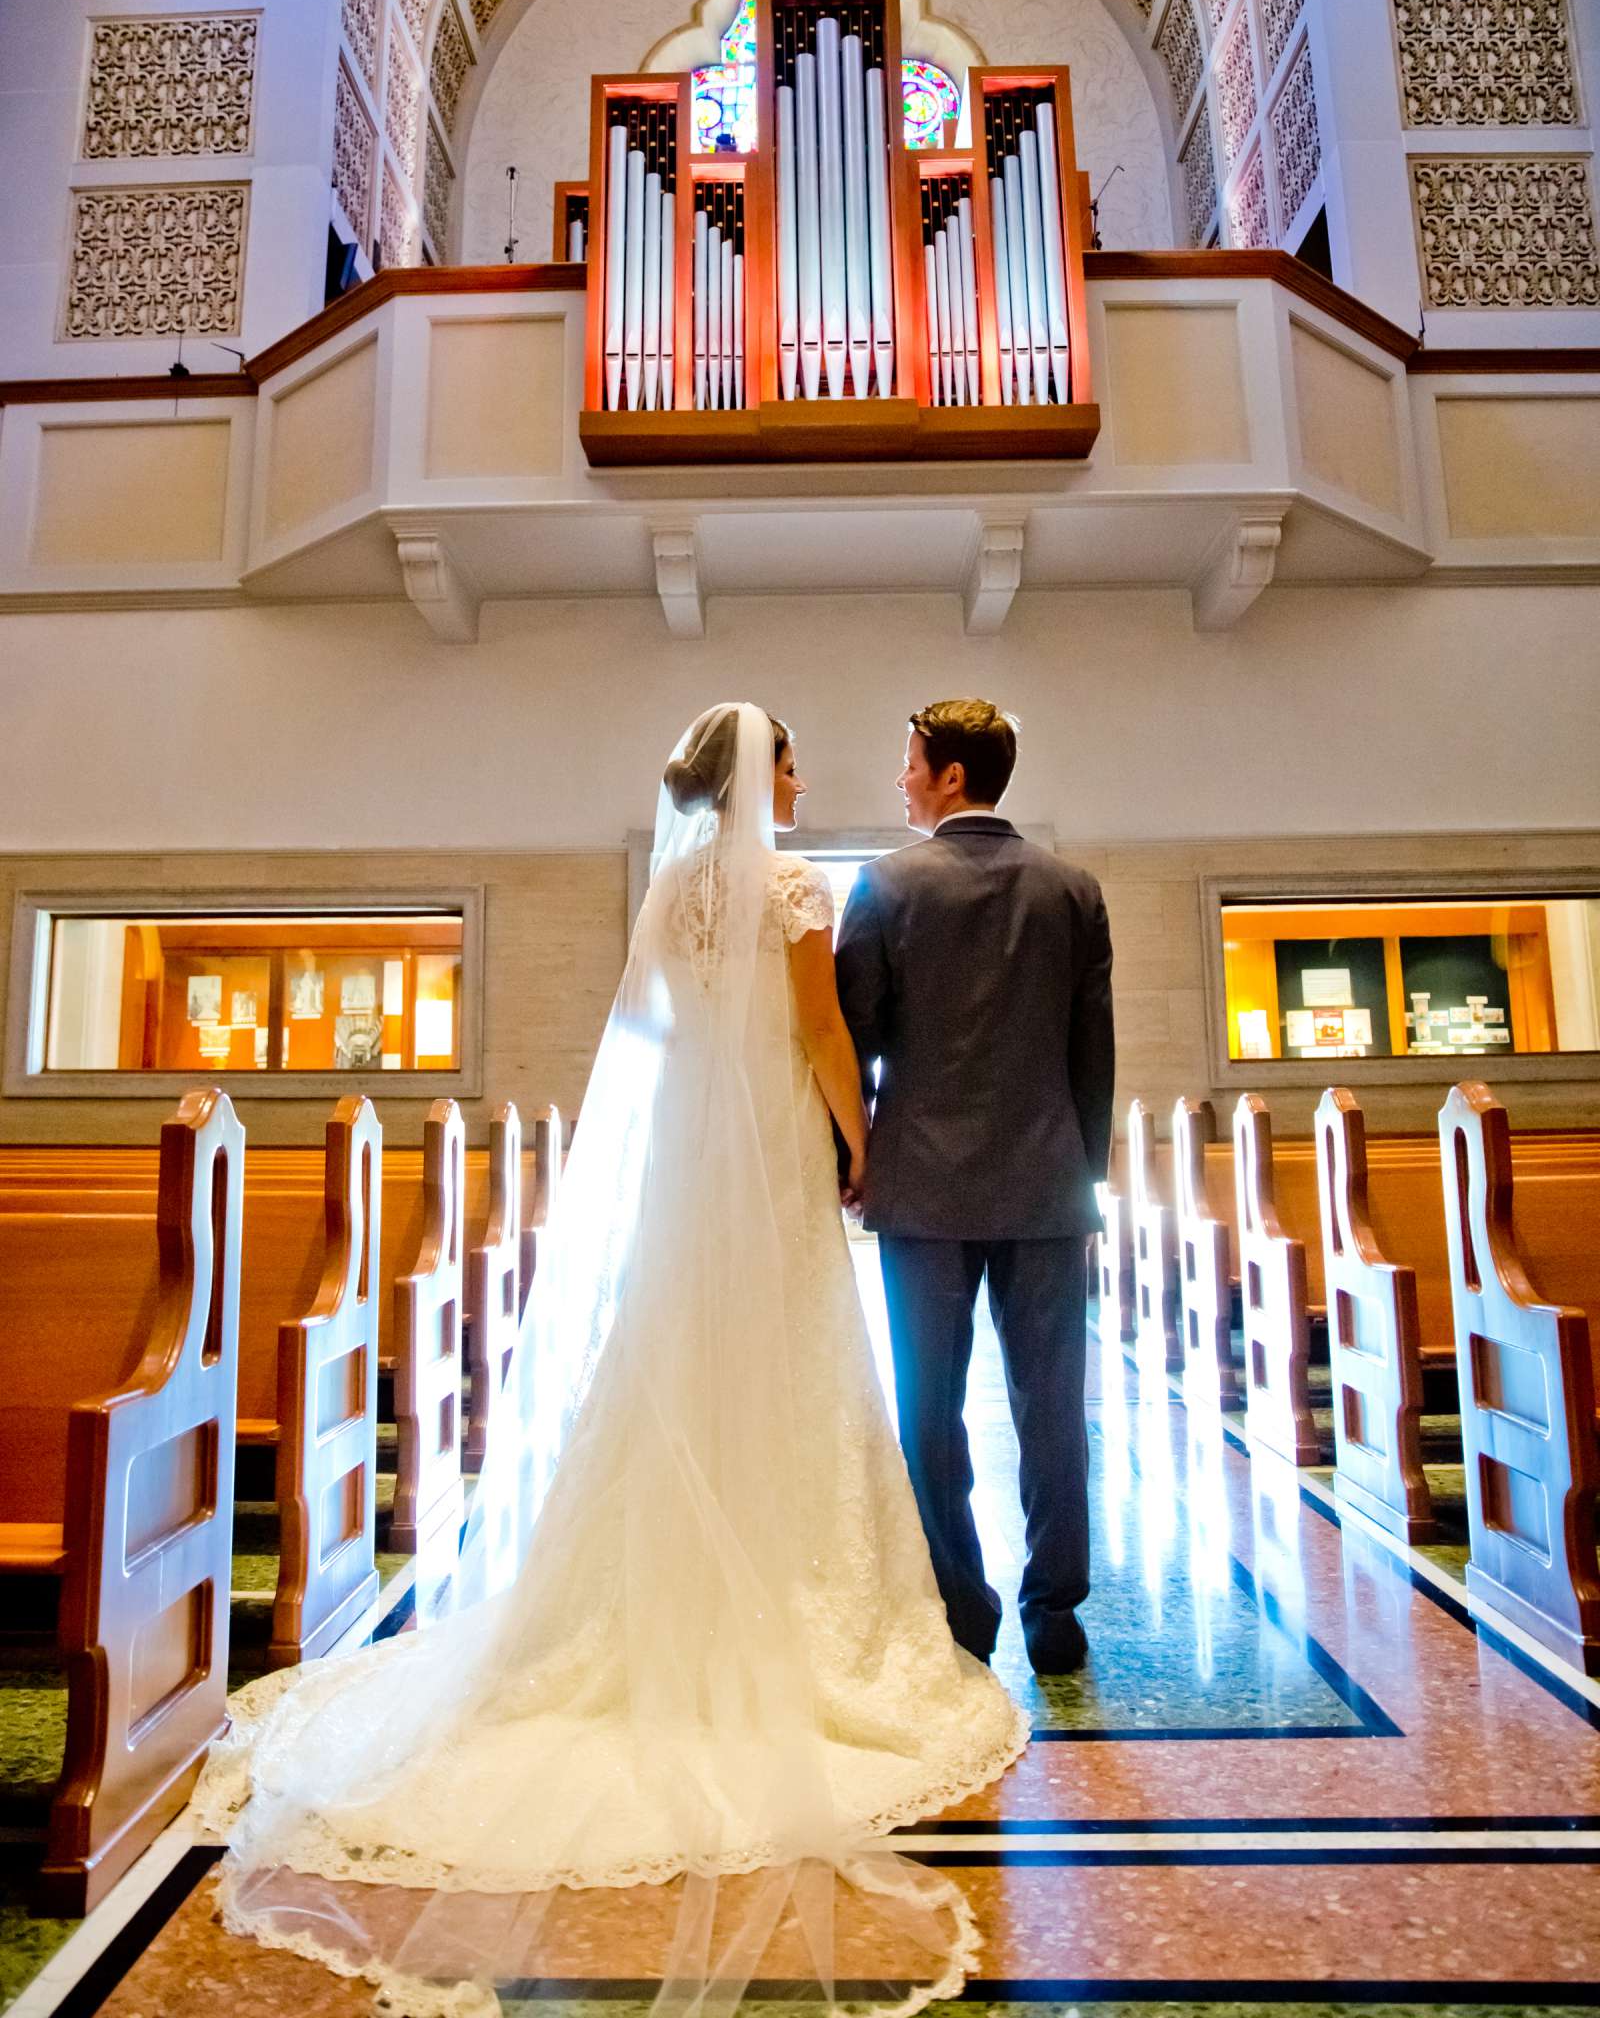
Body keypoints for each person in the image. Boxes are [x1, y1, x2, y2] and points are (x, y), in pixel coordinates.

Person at [194, 703, 1025, 2018]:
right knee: (789, 1373)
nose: (804, 782)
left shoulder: (673, 890)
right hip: (770, 1181)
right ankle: (783, 1608)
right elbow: (818, 1031)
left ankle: (633, 1610)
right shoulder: (795, 886)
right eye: (795, 763)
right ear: (761, 776)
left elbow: (642, 1044)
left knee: (668, 1381)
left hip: (685, 1181)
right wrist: (859, 1143)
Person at [835, 699, 1114, 1678]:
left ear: (951, 776)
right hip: (1046, 1187)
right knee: (1052, 1402)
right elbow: (1093, 1056)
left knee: (929, 1404)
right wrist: (1089, 1182)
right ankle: (1056, 1610)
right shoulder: (1072, 891)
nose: (901, 779)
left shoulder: (883, 888)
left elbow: (854, 1043)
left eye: (910, 762)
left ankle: (962, 1607)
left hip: (922, 1193)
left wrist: (848, 1163)